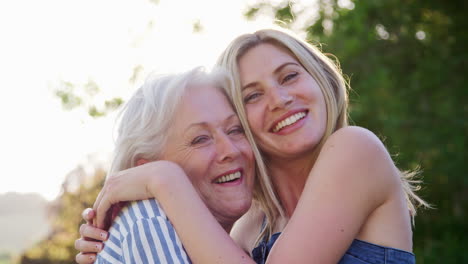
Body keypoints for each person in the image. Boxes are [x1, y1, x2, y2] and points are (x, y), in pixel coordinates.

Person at [77, 28, 428, 264]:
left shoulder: (355, 150)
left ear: (320, 80)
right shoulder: (250, 226)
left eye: (289, 75)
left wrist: (165, 180)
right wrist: (115, 250)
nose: (279, 99)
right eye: (253, 95)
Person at [75, 67, 261, 263]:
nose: (231, 150)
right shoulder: (149, 222)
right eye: (200, 139)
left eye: (234, 130)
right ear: (145, 169)